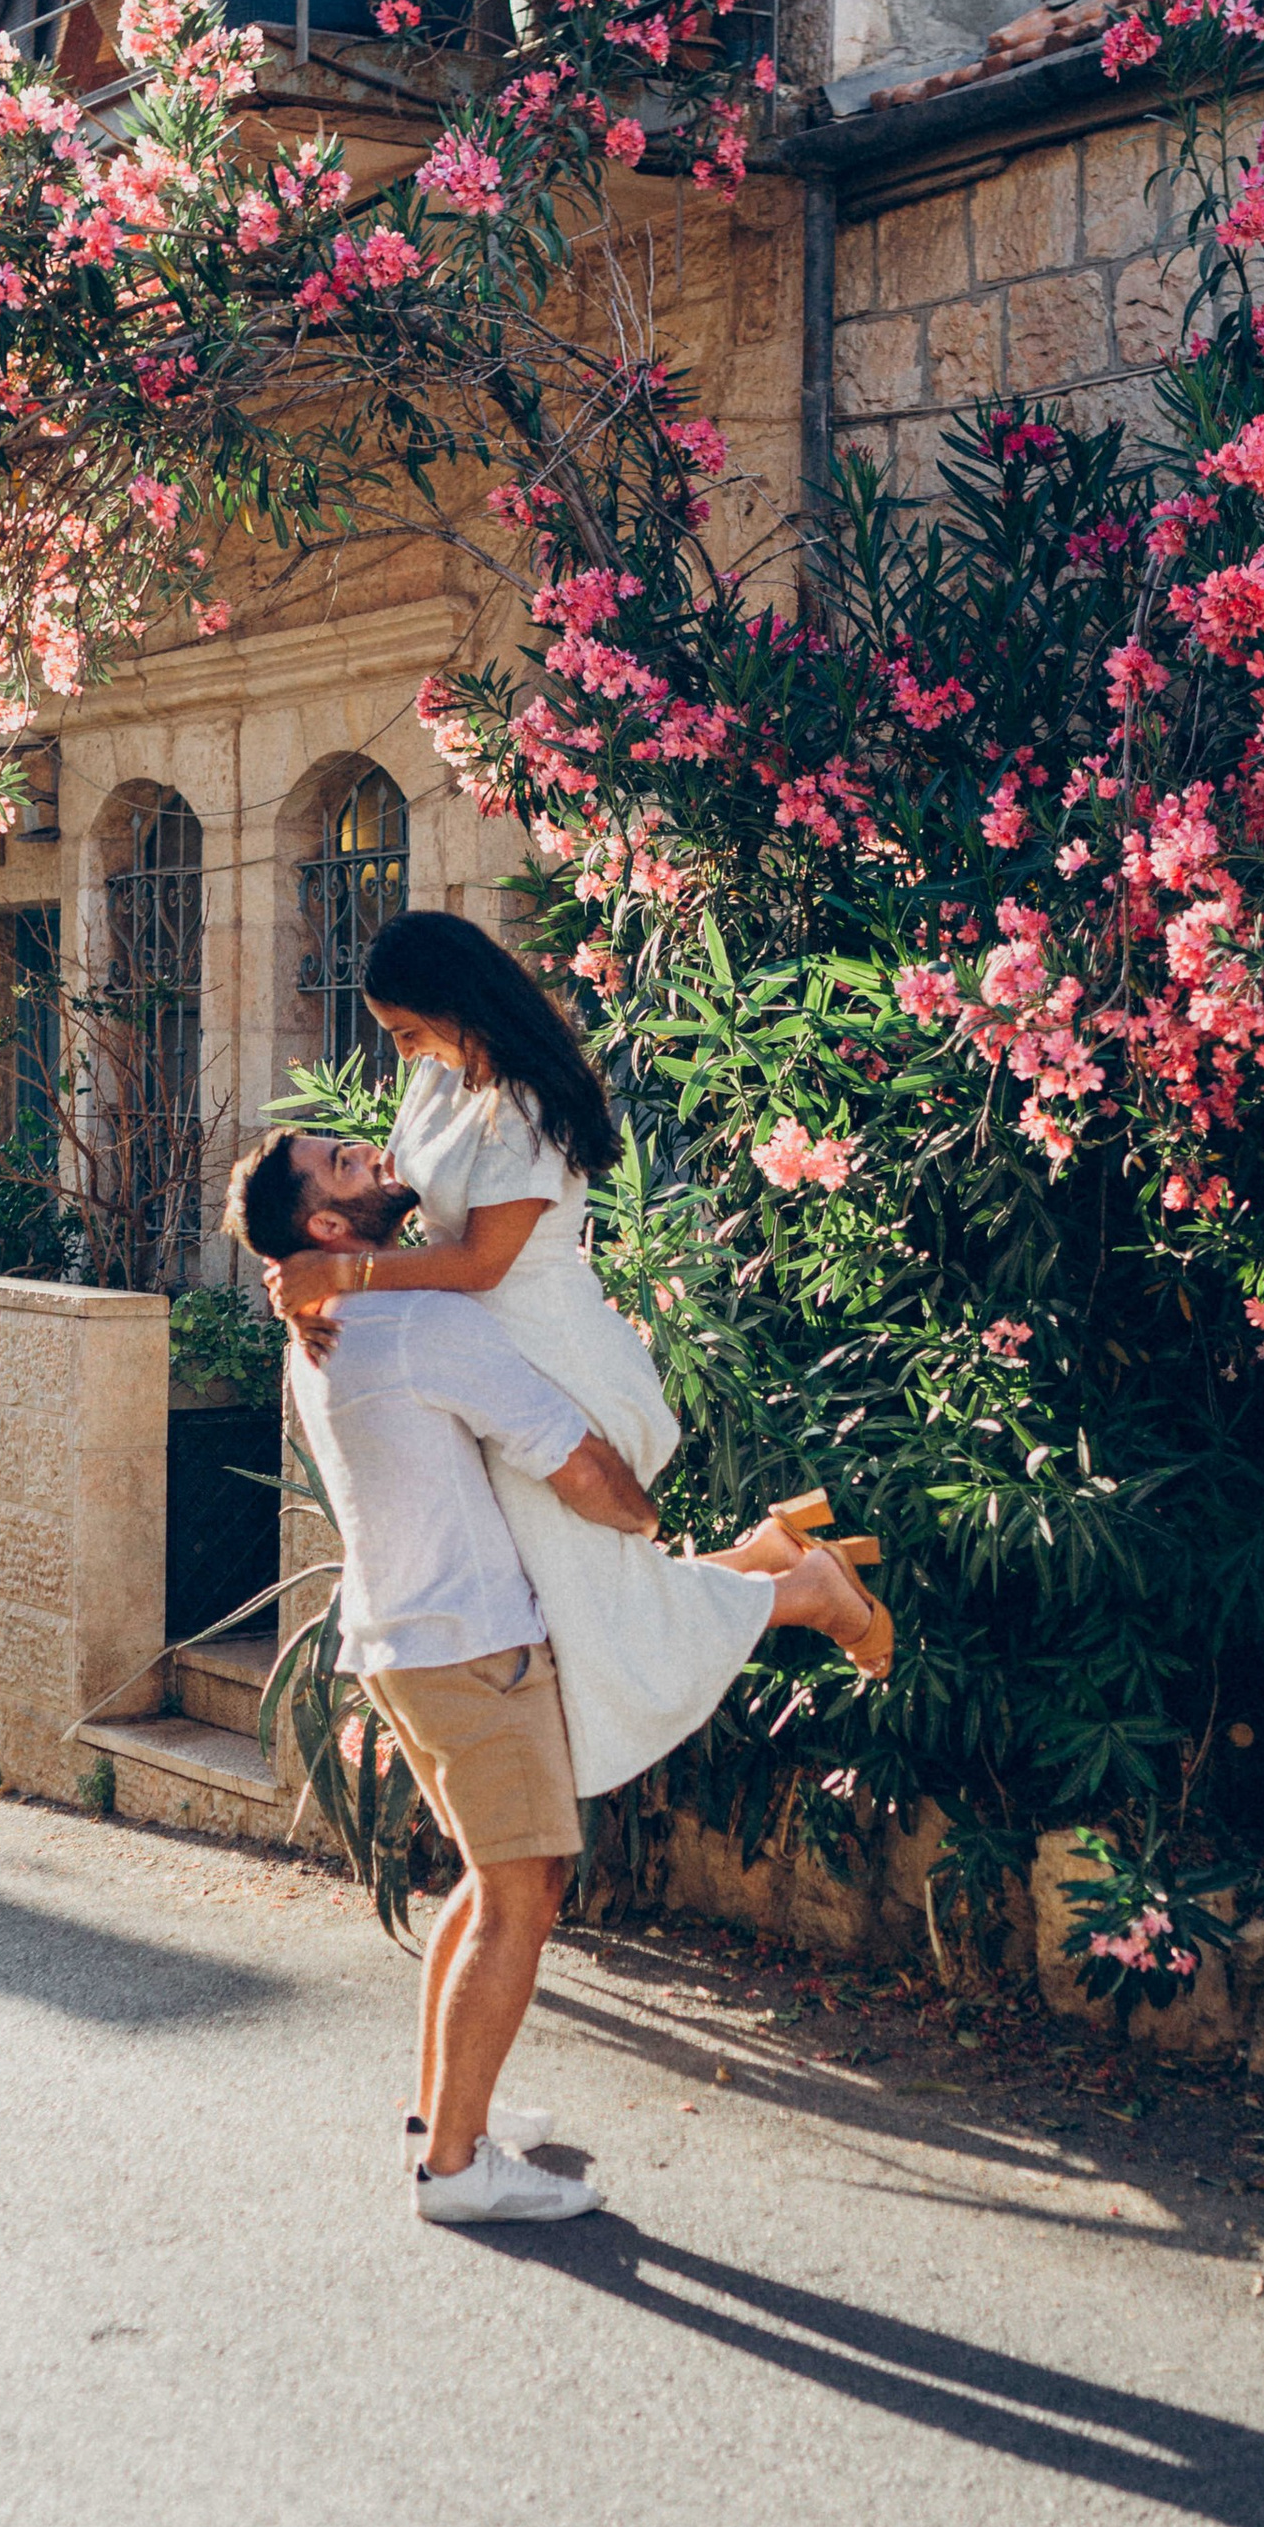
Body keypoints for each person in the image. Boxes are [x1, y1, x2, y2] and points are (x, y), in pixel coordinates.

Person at [224, 1126, 885, 2225]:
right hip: (471, 1653)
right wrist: (637, 1511)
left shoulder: (326, 1326)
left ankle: (445, 2110)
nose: (373, 1155)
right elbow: (569, 1457)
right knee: (524, 1894)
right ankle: (453, 2168)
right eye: (344, 1167)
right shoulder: (420, 1320)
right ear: (328, 1231)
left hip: (407, 1644)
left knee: (493, 1885)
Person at [259, 908, 887, 1805]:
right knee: (574, 1598)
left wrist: (344, 1273)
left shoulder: (525, 1106)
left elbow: (481, 1261)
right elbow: (391, 1201)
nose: (401, 1055)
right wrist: (304, 1275)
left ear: (456, 1005)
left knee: (586, 1608)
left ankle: (811, 1589)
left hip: (551, 1358)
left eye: (406, 1032)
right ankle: (770, 1559)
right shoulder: (443, 1078)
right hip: (477, 1355)